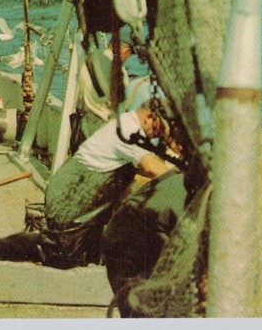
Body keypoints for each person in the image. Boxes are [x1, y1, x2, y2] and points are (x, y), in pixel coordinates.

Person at [39, 97, 180, 268]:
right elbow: (150, 167)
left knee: (84, 253)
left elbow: (149, 164)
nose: (158, 134)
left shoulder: (130, 126)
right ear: (150, 117)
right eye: (159, 129)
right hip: (69, 201)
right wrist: (187, 180)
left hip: (80, 199)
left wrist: (171, 143)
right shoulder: (128, 130)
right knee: (63, 257)